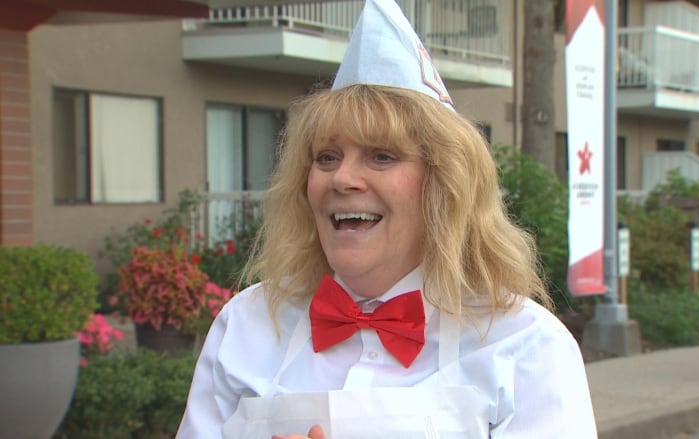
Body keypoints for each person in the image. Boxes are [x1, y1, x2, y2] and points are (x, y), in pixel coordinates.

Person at [177, 0, 597, 437]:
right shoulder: (246, 324)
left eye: (381, 156)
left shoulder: (525, 345)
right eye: (327, 157)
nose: (342, 177)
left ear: (444, 185)